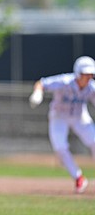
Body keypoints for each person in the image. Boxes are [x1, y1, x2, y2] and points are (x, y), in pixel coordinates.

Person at [29, 56, 95, 194]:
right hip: (59, 116)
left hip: (79, 116)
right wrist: (37, 93)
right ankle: (78, 177)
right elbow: (41, 83)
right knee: (60, 148)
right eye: (85, 74)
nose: (88, 77)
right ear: (78, 73)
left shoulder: (91, 87)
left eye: (90, 74)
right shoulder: (65, 81)